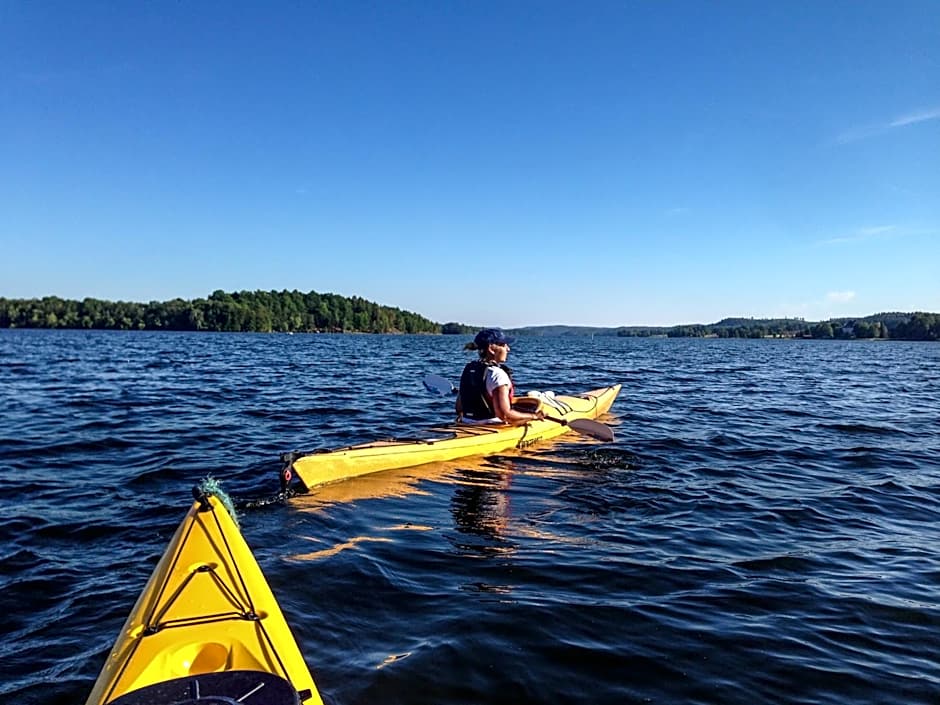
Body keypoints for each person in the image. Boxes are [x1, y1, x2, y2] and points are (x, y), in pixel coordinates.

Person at [456, 328, 545, 425]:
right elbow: (504, 415)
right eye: (504, 345)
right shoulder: (497, 374)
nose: (508, 349)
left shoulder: (469, 369)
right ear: (491, 349)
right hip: (492, 426)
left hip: (466, 423)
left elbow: (459, 407)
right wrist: (534, 416)